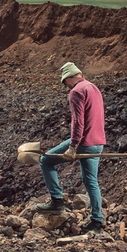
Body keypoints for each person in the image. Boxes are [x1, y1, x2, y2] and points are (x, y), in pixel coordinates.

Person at [36, 61, 106, 231]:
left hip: (84, 142)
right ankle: (97, 220)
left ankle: (57, 201)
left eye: (64, 82)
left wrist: (73, 146)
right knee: (90, 181)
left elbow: (78, 122)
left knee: (45, 160)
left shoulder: (76, 91)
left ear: (68, 78)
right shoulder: (93, 87)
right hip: (98, 142)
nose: (65, 86)